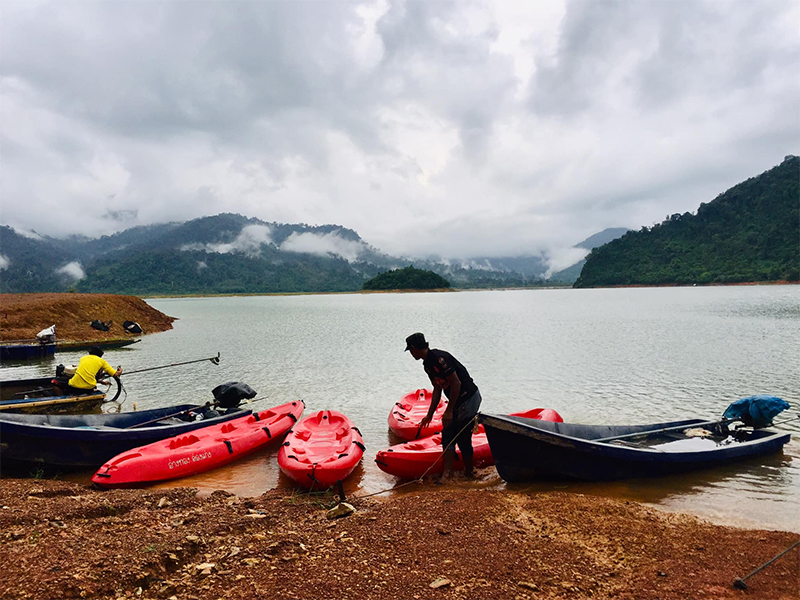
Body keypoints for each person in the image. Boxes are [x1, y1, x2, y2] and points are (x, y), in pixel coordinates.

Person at [405, 332, 482, 480]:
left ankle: (467, 472)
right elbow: (437, 389)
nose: (411, 353)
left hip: (469, 397)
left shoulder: (440, 359)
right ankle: (450, 474)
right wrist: (429, 414)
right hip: (457, 401)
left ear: (415, 348)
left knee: (460, 434)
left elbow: (456, 383)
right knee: (448, 433)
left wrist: (449, 411)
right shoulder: (427, 365)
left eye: (410, 350)